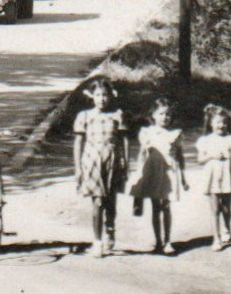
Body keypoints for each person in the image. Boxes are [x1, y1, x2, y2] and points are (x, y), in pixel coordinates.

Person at [72, 78, 127, 257]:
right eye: (97, 95)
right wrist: (78, 167)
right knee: (97, 201)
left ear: (111, 96)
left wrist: (125, 160)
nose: (102, 98)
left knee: (110, 200)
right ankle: (97, 241)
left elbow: (123, 139)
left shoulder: (117, 114)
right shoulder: (85, 116)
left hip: (112, 159)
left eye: (105, 95)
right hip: (91, 161)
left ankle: (110, 230)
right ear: (92, 96)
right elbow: (78, 142)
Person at [128, 97, 188, 254]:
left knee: (166, 206)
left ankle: (168, 241)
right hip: (153, 172)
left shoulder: (175, 134)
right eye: (161, 113)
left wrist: (183, 178)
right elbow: (142, 155)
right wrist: (138, 175)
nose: (165, 117)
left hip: (169, 172)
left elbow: (180, 156)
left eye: (168, 114)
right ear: (153, 115)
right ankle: (158, 241)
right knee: (155, 207)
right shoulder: (147, 132)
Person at [196, 103, 231, 250]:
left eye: (225, 122)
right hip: (212, 177)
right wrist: (211, 156)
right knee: (214, 209)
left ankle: (227, 227)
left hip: (227, 177)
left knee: (226, 208)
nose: (222, 125)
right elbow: (200, 160)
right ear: (210, 123)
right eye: (218, 122)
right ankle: (216, 238)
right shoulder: (205, 140)